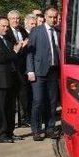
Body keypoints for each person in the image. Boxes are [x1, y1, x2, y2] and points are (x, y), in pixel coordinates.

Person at [0, 17, 25, 143]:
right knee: (0, 108)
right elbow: (0, 58)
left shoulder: (8, 39)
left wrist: (18, 49)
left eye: (7, 26)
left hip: (12, 78)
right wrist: (15, 51)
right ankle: (1, 134)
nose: (5, 28)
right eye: (3, 26)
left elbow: (12, 56)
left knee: (10, 107)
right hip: (0, 80)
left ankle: (9, 132)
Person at [26, 8, 61, 141]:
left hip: (53, 71)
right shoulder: (36, 31)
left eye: (55, 17)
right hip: (39, 72)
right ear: (45, 17)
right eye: (51, 17)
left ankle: (50, 128)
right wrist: (30, 70)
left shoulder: (58, 31)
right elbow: (30, 52)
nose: (53, 19)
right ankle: (36, 130)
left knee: (52, 102)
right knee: (38, 101)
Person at [6, 10, 31, 127]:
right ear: (9, 19)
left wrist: (25, 45)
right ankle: (12, 121)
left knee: (23, 94)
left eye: (17, 18)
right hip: (11, 67)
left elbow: (27, 42)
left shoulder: (22, 30)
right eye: (13, 19)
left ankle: (24, 118)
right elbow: (10, 49)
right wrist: (20, 46)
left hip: (23, 66)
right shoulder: (6, 32)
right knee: (12, 95)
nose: (16, 21)